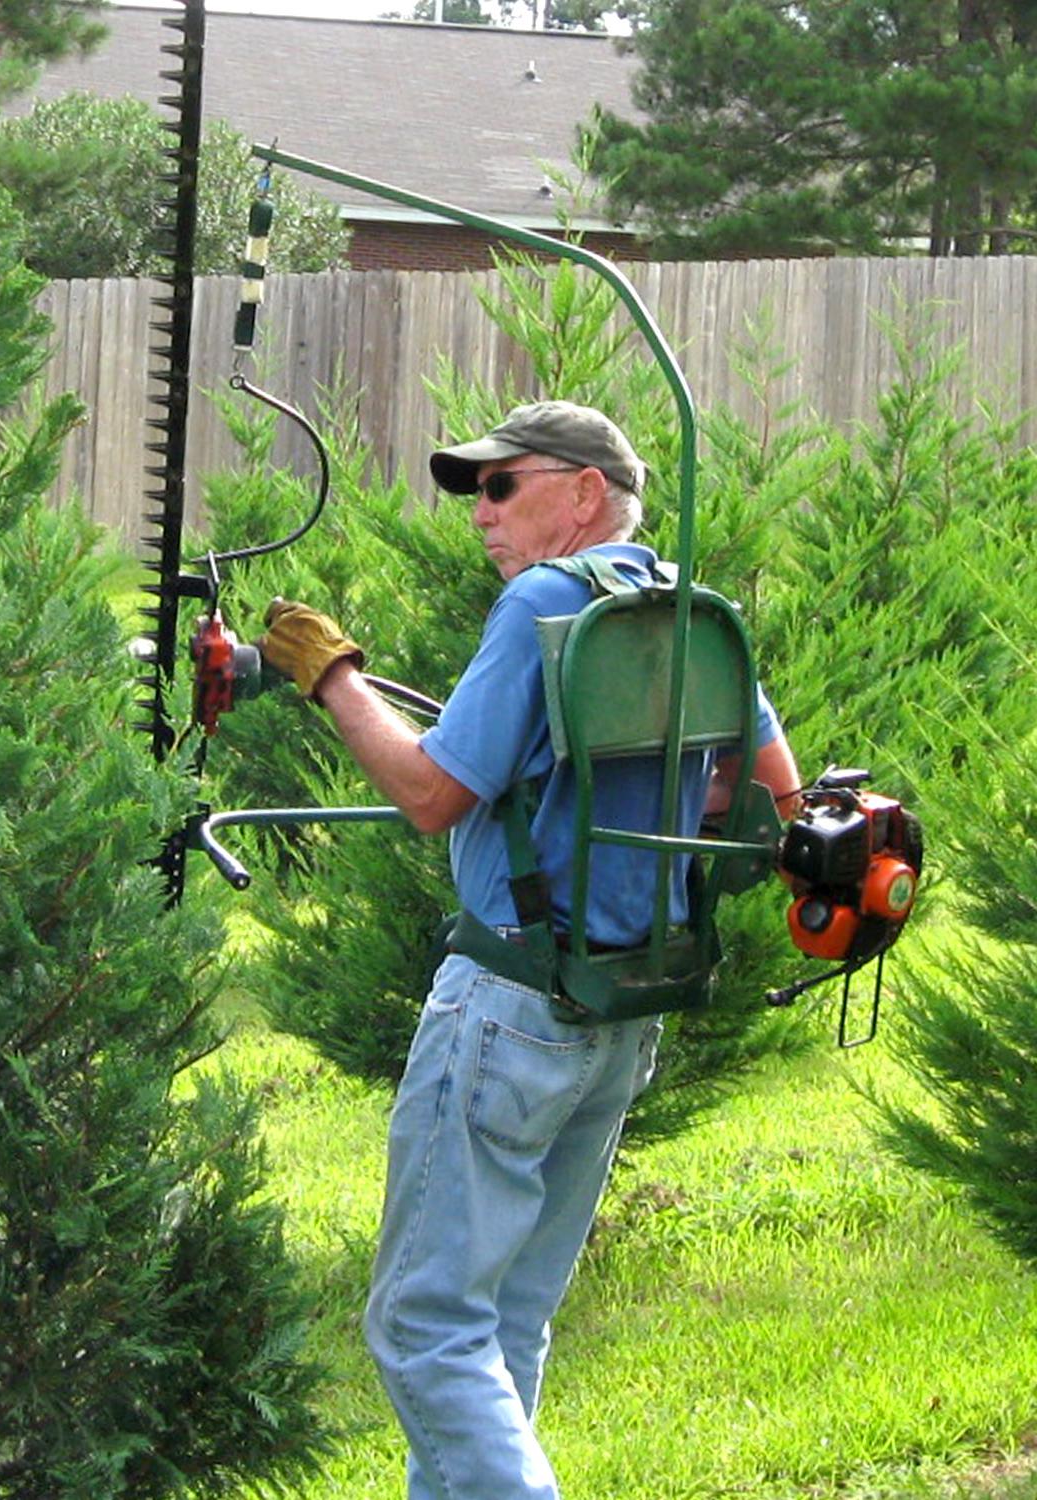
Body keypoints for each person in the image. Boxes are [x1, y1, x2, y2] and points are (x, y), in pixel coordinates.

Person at [256, 401, 802, 1500]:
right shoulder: (694, 613)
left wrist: (330, 677)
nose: (479, 515)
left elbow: (427, 792)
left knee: (420, 1323)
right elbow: (772, 800)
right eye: (472, 492)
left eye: (501, 487)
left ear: (582, 492)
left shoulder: (543, 603)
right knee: (500, 1325)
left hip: (506, 1009)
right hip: (615, 1015)